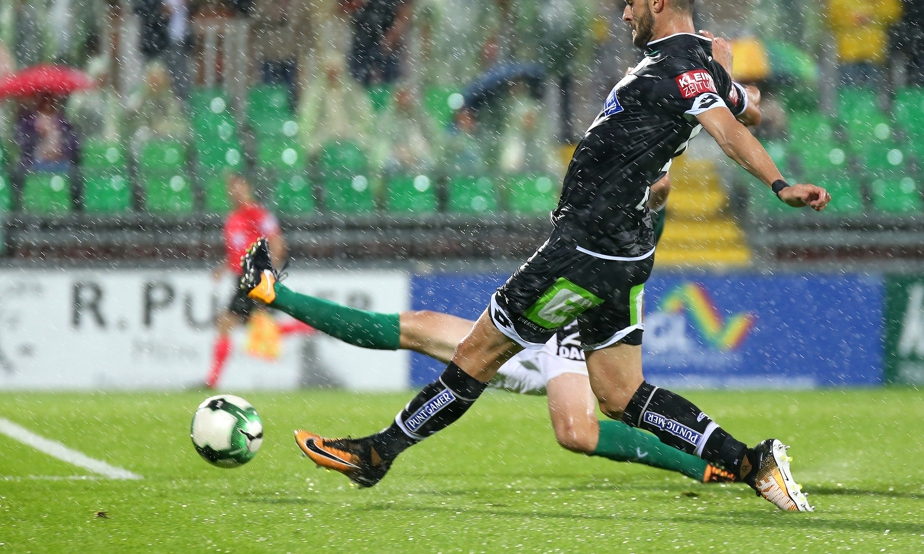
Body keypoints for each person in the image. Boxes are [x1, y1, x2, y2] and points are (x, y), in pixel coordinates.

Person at [243, 0, 828, 511]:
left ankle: (378, 452)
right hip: (621, 248)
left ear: (657, 0)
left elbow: (729, 129)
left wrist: (778, 183)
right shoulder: (689, 64)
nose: (621, 12)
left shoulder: (678, 65)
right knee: (621, 395)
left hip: (584, 248)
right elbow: (741, 108)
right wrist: (729, 77)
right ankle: (752, 462)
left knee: (478, 352)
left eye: (628, 2)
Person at [237, 179, 734, 486]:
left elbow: (648, 224)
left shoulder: (629, 219)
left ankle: (705, 462)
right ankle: (271, 291)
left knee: (578, 432)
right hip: (545, 317)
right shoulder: (604, 198)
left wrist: (658, 198)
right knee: (419, 327)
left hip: (577, 332)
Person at [206, 173, 287, 389]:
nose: (236, 192)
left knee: (227, 323)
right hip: (240, 277)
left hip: (254, 276)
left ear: (248, 188)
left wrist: (269, 270)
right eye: (232, 189)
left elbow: (277, 241)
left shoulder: (258, 214)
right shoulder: (233, 219)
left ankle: (212, 381)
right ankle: (308, 327)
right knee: (263, 325)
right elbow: (237, 252)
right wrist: (222, 268)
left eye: (240, 187)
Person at [510, 0, 596, 145]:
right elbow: (523, 12)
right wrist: (527, 40)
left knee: (564, 92)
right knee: (536, 92)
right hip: (537, 46)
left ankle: (566, 131)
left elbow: (581, 12)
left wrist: (578, 42)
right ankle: (534, 133)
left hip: (563, 47)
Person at [411, 0, 501, 129]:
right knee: (442, 86)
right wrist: (425, 42)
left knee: (469, 85)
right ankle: (441, 126)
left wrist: (489, 42)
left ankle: (468, 125)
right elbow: (423, 18)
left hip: (470, 49)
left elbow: (491, 19)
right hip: (442, 51)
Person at [826, 0, 902, 91]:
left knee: (871, 92)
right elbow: (831, 17)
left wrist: (875, 8)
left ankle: (869, 112)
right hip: (849, 52)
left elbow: (894, 13)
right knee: (849, 92)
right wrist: (851, 19)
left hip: (874, 50)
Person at [132, 0, 193, 106]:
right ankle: (152, 121)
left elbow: (192, 10)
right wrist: (160, 12)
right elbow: (139, 9)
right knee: (154, 85)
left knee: (181, 85)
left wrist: (190, 3)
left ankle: (180, 121)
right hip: (156, 43)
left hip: (179, 41)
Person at [250, 0, 311, 111]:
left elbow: (306, 25)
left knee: (292, 90)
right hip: (270, 52)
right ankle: (270, 116)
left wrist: (307, 48)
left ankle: (290, 117)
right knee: (269, 89)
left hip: (290, 53)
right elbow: (255, 19)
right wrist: (274, 10)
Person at [340, 0, 408, 89]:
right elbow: (342, 7)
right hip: (361, 37)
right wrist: (354, 3)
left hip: (385, 35)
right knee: (358, 78)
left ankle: (386, 102)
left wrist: (393, 34)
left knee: (390, 78)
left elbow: (402, 10)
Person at [124, 60, 188, 153]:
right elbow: (130, 120)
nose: (155, 82)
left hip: (164, 133)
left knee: (183, 137)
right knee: (139, 136)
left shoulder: (168, 96)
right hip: (144, 132)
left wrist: (167, 126)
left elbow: (178, 120)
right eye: (152, 78)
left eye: (158, 78)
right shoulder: (139, 95)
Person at [65, 55, 126, 142]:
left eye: (105, 76)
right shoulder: (81, 94)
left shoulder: (109, 96)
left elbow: (115, 120)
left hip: (105, 143)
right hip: (86, 140)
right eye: (101, 76)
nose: (103, 80)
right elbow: (73, 116)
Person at [0, 0, 41, 70]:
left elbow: (43, 33)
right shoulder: (5, 8)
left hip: (33, 59)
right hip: (9, 59)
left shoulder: (37, 6)